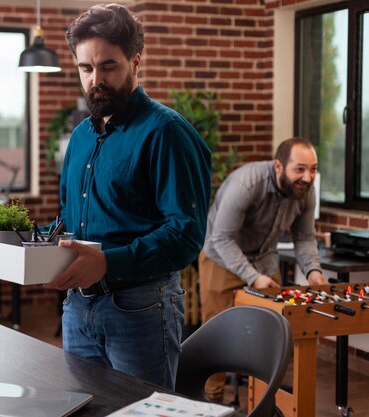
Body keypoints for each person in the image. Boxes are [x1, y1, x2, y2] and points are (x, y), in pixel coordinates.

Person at [44, 4, 212, 390]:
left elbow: (185, 234)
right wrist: (27, 241)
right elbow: (71, 216)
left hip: (141, 307)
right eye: (86, 68)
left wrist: (107, 263)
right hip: (77, 306)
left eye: (108, 66)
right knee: (84, 411)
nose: (95, 79)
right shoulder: (81, 137)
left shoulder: (167, 132)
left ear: (135, 62)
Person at [199, 137, 327, 402]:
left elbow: (303, 237)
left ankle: (262, 402)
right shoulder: (247, 183)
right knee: (216, 337)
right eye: (300, 169)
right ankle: (211, 402)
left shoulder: (305, 191)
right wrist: (253, 277)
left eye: (313, 169)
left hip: (264, 260)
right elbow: (221, 239)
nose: (307, 176)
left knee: (271, 336)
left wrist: (313, 270)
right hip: (221, 258)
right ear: (279, 167)